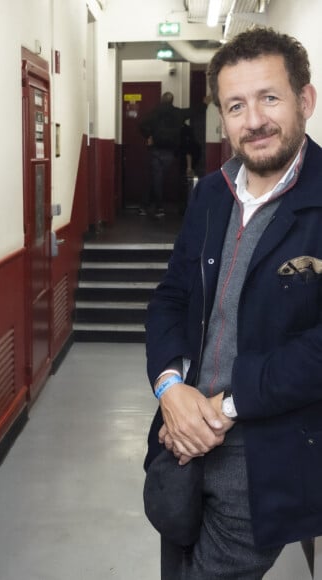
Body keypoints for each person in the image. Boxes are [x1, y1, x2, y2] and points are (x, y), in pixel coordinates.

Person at [144, 27, 322, 579]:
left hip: (265, 453)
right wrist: (171, 388)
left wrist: (224, 407)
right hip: (182, 439)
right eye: (236, 105)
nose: (254, 121)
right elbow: (171, 296)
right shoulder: (211, 194)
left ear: (306, 100)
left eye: (270, 98)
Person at [139, 91, 199, 217]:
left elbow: (141, 124)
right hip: (171, 152)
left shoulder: (154, 112)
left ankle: (153, 207)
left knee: (156, 179)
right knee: (160, 179)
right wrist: (204, 103)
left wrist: (148, 135)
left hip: (156, 149)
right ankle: (154, 207)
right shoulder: (178, 113)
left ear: (162, 99)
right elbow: (192, 111)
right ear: (172, 101)